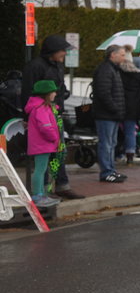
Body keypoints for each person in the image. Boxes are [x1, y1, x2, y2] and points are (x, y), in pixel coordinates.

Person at [22, 34, 82, 199]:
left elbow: (58, 88)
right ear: (53, 51)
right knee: (45, 155)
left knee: (58, 152)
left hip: (55, 113)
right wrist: (27, 117)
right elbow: (27, 92)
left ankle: (59, 185)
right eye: (62, 50)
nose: (65, 53)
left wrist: (63, 95)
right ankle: (43, 189)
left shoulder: (56, 65)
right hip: (42, 116)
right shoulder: (35, 67)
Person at [91, 45, 129, 183]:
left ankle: (111, 170)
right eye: (122, 55)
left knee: (111, 143)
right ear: (113, 55)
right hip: (105, 115)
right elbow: (103, 93)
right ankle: (106, 172)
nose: (124, 58)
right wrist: (115, 109)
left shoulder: (113, 70)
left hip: (111, 115)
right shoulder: (106, 70)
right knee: (106, 144)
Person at [24, 80, 61, 203]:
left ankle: (41, 194)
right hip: (42, 144)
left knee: (42, 169)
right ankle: (37, 195)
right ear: (47, 94)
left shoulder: (41, 107)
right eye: (53, 91)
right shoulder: (42, 108)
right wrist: (55, 138)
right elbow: (45, 127)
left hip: (41, 144)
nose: (55, 93)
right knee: (40, 170)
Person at [119, 49, 140, 166]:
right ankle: (130, 155)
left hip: (118, 106)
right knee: (130, 131)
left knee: (116, 131)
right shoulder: (139, 73)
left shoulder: (117, 72)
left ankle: (117, 153)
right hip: (133, 108)